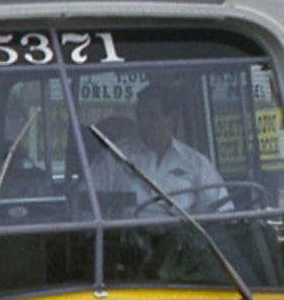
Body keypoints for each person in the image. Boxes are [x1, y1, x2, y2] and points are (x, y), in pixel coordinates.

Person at [90, 88, 231, 214]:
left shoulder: (196, 164)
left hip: (181, 239)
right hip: (126, 240)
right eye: (140, 116)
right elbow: (85, 207)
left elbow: (222, 211)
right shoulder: (113, 158)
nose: (144, 123)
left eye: (152, 117)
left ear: (173, 119)